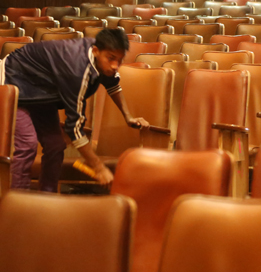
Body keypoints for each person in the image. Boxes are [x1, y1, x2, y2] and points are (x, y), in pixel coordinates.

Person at [0, 28, 149, 191]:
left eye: (119, 60)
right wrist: (99, 168)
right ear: (96, 51)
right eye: (111, 58)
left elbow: (113, 85)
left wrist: (128, 116)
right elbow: (74, 129)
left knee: (55, 146)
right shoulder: (77, 71)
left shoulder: (102, 57)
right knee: (27, 144)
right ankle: (17, 198)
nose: (115, 66)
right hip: (14, 78)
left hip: (42, 89)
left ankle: (47, 196)